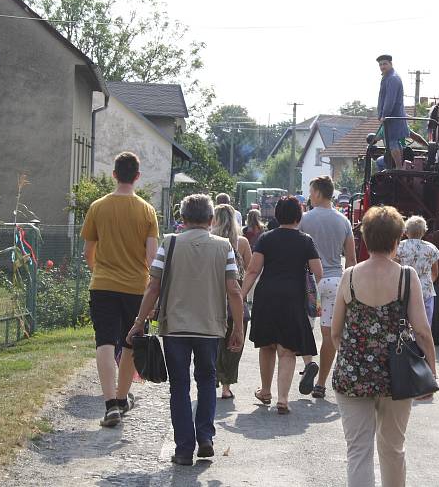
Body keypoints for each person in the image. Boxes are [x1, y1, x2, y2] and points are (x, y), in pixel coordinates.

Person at [126, 194, 245, 466]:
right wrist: (237, 328)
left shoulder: (170, 243)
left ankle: (183, 449)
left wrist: (138, 322)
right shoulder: (224, 246)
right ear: (211, 219)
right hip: (210, 327)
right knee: (206, 381)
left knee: (179, 386)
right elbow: (234, 290)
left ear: (182, 219)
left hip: (175, 327)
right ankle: (205, 436)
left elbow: (153, 287)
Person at [331, 205, 437, 487]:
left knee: (358, 452)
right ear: (397, 240)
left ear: (365, 238)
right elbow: (423, 332)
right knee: (392, 449)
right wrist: (431, 373)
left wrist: (354, 357)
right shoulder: (406, 276)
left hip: (353, 375)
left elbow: (335, 331)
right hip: (398, 376)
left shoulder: (349, 276)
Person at [80, 152, 159, 427]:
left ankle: (110, 403)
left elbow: (88, 250)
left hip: (102, 284)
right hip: (137, 287)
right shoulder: (147, 211)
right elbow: (152, 257)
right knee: (130, 342)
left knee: (104, 341)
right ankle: (123, 398)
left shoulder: (97, 207)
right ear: (137, 176)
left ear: (114, 174)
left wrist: (98, 271)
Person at [242, 196, 323, 413]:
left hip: (266, 296)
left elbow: (252, 270)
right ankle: (283, 399)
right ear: (299, 216)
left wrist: (241, 295)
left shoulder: (266, 239)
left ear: (277, 215)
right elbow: (319, 272)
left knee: (267, 346)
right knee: (287, 351)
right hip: (293, 299)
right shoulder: (306, 241)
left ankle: (265, 391)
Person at [298, 175, 357, 399]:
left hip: (308, 280)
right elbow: (351, 258)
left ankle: (309, 363)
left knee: (303, 328)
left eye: (311, 192)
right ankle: (321, 383)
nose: (310, 196)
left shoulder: (304, 219)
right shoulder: (343, 221)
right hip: (335, 281)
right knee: (329, 334)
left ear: (319, 193)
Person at [211, 204, 252, 400]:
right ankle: (226, 386)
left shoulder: (211, 241)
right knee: (234, 344)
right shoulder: (241, 242)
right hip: (235, 297)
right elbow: (251, 270)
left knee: (214, 342)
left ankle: (212, 378)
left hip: (213, 297)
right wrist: (243, 295)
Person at [396, 215, 439, 326]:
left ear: (406, 232)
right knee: (425, 324)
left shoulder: (399, 247)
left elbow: (395, 269)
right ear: (424, 232)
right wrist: (427, 283)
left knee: (404, 323)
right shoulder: (431, 248)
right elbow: (435, 272)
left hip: (404, 289)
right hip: (425, 290)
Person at [376, 54, 410, 170]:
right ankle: (399, 166)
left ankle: (399, 167)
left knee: (392, 142)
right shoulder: (387, 77)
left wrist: (384, 115)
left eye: (384, 64)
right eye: (380, 64)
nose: (382, 66)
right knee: (394, 142)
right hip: (392, 116)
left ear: (391, 64)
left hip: (393, 116)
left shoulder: (392, 78)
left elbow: (390, 100)